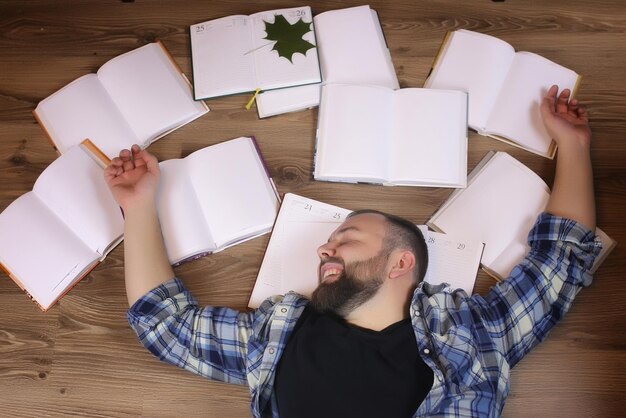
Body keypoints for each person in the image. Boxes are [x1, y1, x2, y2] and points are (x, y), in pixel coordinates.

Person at [104, 85, 601, 417]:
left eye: (345, 237)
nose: (325, 246)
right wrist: (139, 206)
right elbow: (164, 324)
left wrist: (573, 146)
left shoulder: (472, 334)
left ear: (401, 262)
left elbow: (560, 259)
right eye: (336, 239)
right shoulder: (274, 337)